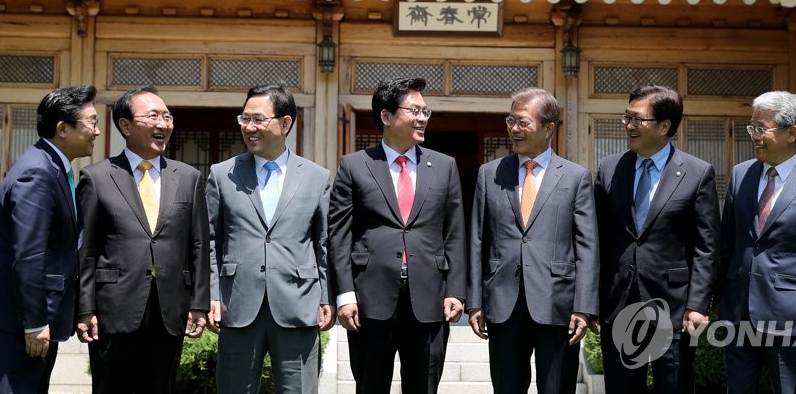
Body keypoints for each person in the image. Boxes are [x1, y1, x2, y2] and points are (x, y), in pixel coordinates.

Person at [328, 77, 466, 394]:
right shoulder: (354, 166)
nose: (422, 118)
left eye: (425, 111)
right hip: (369, 301)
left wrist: (456, 291)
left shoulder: (444, 166)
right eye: (414, 110)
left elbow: (455, 233)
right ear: (386, 116)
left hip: (429, 300)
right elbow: (338, 236)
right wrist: (345, 295)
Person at [75, 86, 209, 394]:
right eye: (153, 116)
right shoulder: (97, 177)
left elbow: (199, 244)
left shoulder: (188, 178)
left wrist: (199, 303)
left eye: (167, 116)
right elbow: (86, 249)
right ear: (125, 125)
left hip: (170, 309)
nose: (163, 124)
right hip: (114, 309)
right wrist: (84, 308)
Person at [467, 87, 599, 394]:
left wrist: (584, 307)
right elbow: (477, 240)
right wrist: (474, 302)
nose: (514, 128)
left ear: (549, 128)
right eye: (510, 120)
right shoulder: (489, 174)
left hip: (558, 305)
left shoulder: (575, 177)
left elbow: (587, 247)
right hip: (503, 303)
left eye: (523, 122)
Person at [206, 84, 334, 394]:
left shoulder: (317, 177)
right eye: (244, 119)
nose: (249, 127)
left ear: (285, 123)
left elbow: (324, 243)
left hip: (297, 303)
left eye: (258, 119)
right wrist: (211, 293)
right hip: (237, 305)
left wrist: (326, 296)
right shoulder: (222, 175)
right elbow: (210, 240)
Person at [594, 85, 719, 394]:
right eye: (627, 117)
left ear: (664, 126)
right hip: (619, 301)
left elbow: (706, 247)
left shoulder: (697, 173)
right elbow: (595, 238)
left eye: (638, 119)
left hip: (673, 306)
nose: (629, 125)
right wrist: (590, 301)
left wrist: (698, 305)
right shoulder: (610, 169)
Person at [718, 91, 796, 394]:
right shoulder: (740, 174)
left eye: (761, 128)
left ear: (791, 133)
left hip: (789, 313)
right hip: (738, 310)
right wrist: (717, 296)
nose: (754, 136)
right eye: (752, 128)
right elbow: (726, 242)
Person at [0, 86, 99, 394]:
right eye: (92, 122)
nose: (97, 131)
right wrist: (34, 322)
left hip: (36, 315)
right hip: (21, 319)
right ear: (63, 129)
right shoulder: (38, 172)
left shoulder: (52, 165)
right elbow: (29, 254)